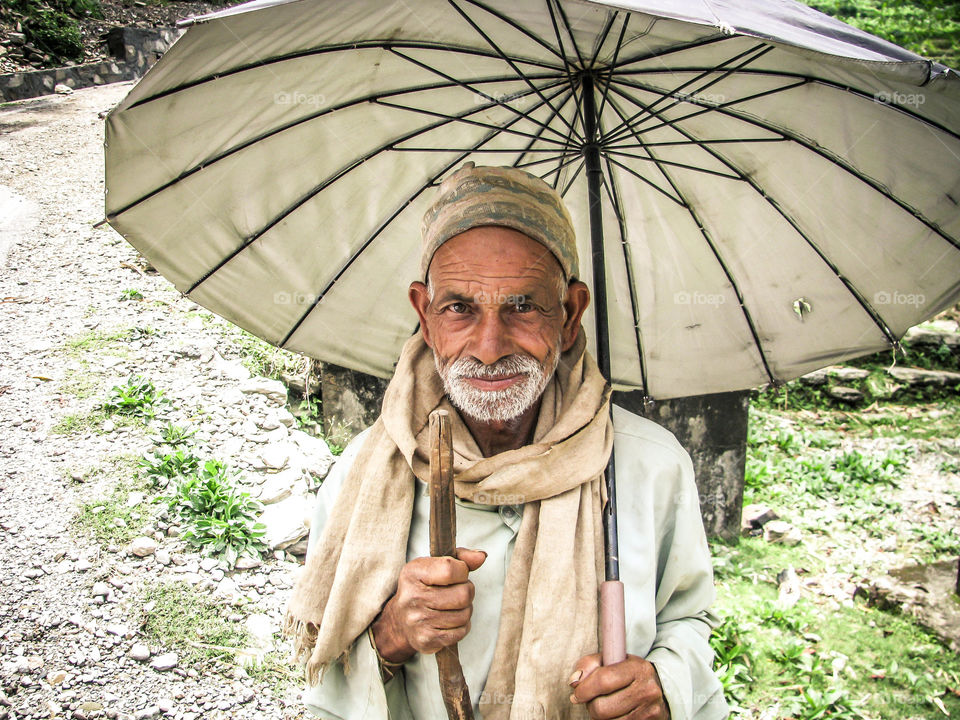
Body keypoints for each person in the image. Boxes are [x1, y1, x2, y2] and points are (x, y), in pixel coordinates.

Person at [285, 163, 728, 720]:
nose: (490, 347)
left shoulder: (648, 464)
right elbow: (331, 670)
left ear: (570, 315)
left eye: (522, 306)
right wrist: (394, 632)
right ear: (425, 314)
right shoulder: (367, 472)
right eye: (460, 308)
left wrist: (661, 684)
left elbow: (688, 622)